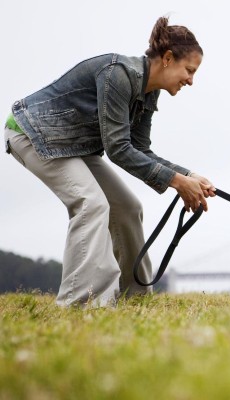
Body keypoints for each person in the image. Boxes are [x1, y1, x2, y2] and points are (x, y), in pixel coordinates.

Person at [4, 16, 216, 307]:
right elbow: (117, 149)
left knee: (128, 207)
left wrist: (189, 176)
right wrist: (178, 183)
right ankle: (81, 302)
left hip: (74, 146)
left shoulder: (148, 93)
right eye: (189, 70)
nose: (191, 80)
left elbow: (140, 149)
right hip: (32, 133)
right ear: (168, 58)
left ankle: (135, 298)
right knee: (91, 204)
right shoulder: (118, 74)